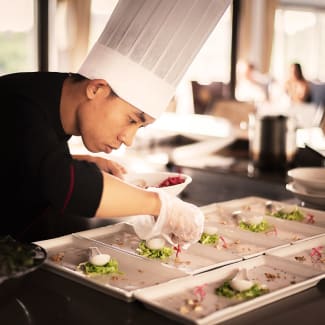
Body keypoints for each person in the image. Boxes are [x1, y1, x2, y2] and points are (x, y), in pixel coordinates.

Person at [1, 0, 231, 244]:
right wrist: (160, 205)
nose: (128, 139)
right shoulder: (20, 105)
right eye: (132, 120)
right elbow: (65, 186)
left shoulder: (43, 99)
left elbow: (21, 165)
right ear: (97, 89)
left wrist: (80, 162)